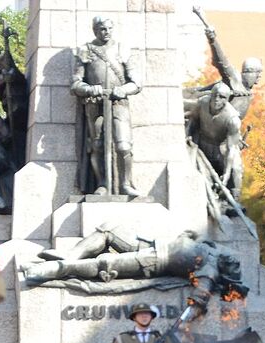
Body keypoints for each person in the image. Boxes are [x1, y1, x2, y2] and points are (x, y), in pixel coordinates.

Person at [23, 223, 248, 311]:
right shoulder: (211, 249)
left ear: (225, 272)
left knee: (104, 264)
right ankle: (69, 255)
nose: (234, 260)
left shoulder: (209, 269)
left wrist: (192, 310)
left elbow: (200, 297)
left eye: (234, 266)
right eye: (234, 261)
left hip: (151, 261)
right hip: (148, 243)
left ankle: (54, 269)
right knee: (107, 230)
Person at [71, 15, 142, 196]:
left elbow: (136, 83)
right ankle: (102, 183)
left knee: (124, 146)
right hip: (96, 105)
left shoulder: (121, 49)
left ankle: (126, 184)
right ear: (95, 30)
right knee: (97, 146)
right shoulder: (86, 50)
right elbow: (76, 84)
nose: (107, 32)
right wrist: (89, 89)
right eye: (103, 29)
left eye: (109, 28)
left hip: (118, 104)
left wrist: (123, 90)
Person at [186, 82, 244, 201]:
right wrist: (188, 135)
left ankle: (234, 199)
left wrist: (227, 174)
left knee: (236, 168)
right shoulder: (202, 103)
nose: (217, 99)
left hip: (221, 149)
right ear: (211, 95)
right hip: (202, 143)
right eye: (215, 95)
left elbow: (231, 148)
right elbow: (193, 120)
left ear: (227, 99)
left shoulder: (233, 119)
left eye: (222, 97)